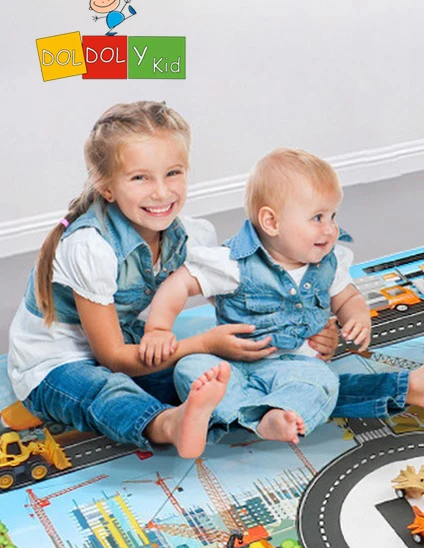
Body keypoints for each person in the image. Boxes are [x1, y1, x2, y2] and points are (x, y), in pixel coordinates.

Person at [6, 100, 284, 459]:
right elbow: (113, 359)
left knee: (199, 372)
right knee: (104, 391)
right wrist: (203, 343)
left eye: (173, 173)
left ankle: (262, 409)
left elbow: (242, 299)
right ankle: (169, 425)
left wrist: (298, 323)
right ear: (107, 188)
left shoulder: (191, 236)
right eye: (140, 178)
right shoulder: (91, 247)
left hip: (125, 337)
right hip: (53, 360)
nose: (162, 192)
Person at [141, 148, 424, 443]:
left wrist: (356, 317)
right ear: (271, 222)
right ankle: (250, 412)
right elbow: (180, 284)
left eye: (333, 216)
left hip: (295, 366)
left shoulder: (328, 261)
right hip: (230, 364)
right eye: (317, 218)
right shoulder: (234, 262)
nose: (330, 229)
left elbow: (347, 297)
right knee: (191, 368)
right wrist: (158, 329)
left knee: (321, 383)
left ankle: (270, 417)